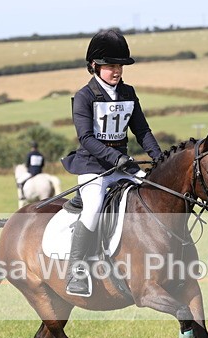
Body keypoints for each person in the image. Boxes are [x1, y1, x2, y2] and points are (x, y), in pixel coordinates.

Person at [61, 29, 163, 297]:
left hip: (123, 167)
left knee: (154, 193)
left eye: (120, 66)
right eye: (111, 66)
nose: (117, 71)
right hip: (94, 167)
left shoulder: (128, 92)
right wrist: (115, 157)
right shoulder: (84, 96)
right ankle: (76, 270)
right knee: (94, 208)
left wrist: (160, 158)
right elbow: (86, 138)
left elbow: (142, 131)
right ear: (94, 66)